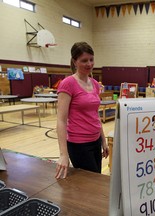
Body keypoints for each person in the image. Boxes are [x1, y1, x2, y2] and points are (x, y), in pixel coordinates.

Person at [55, 42, 109, 179]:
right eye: (84, 60)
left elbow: (95, 115)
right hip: (79, 144)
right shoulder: (68, 84)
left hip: (95, 141)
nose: (89, 64)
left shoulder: (95, 84)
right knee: (90, 183)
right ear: (74, 61)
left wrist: (103, 140)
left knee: (97, 179)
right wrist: (63, 154)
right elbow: (61, 120)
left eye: (91, 59)